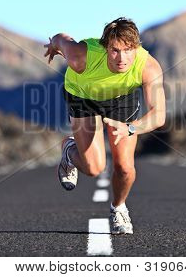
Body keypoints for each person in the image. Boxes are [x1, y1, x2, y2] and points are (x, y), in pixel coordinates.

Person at [44, 17, 166, 235]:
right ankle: (70, 152)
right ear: (105, 48)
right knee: (94, 168)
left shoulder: (148, 67)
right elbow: (63, 40)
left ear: (136, 48)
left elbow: (158, 116)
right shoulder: (81, 56)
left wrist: (130, 128)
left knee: (125, 168)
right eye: (115, 50)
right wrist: (54, 45)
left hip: (121, 99)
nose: (122, 58)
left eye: (128, 50)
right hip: (83, 95)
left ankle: (118, 208)